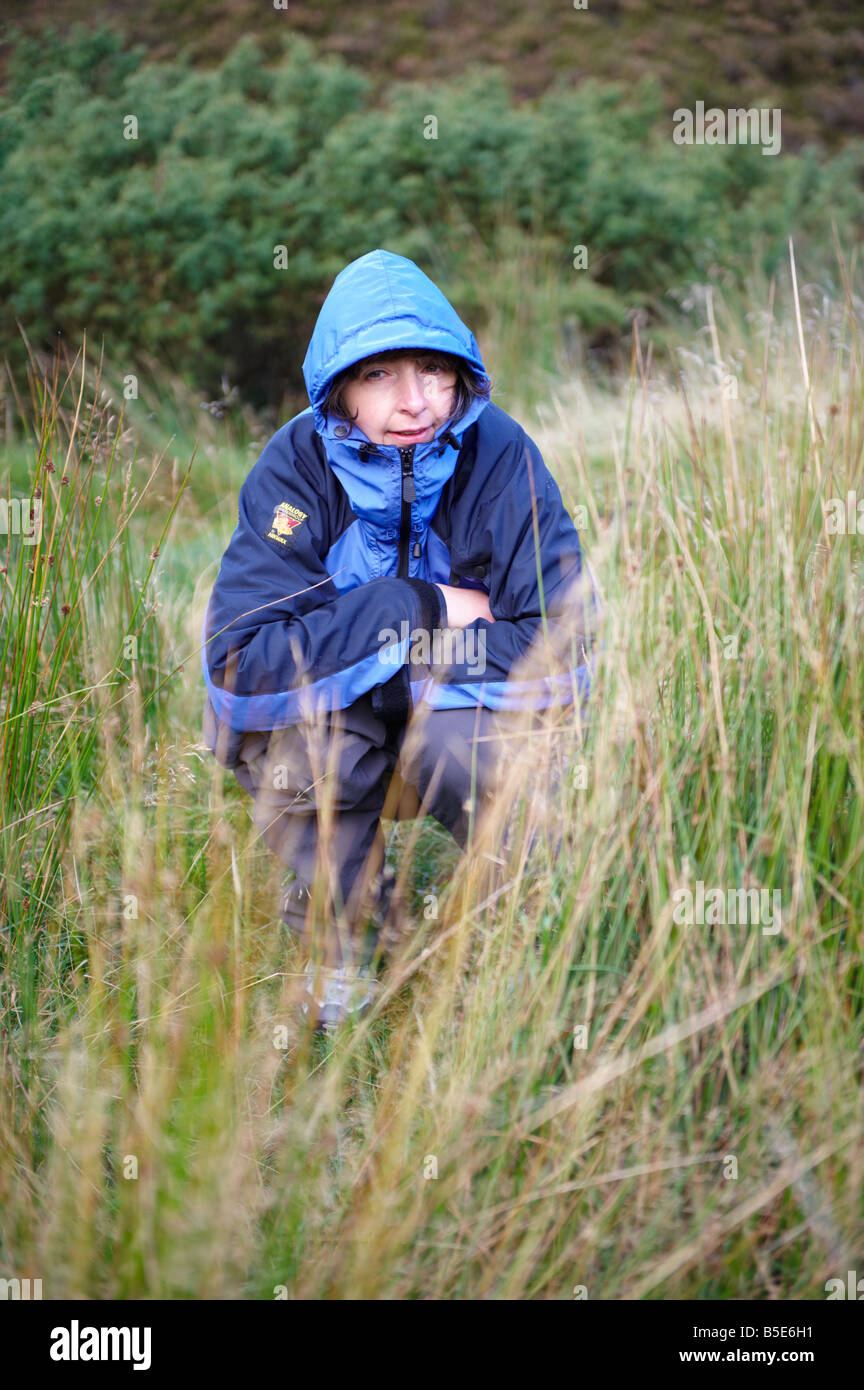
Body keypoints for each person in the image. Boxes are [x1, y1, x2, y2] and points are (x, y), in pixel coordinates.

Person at [201, 248, 596, 1030]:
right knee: (305, 755)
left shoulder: (502, 453)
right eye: (380, 374)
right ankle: (346, 943)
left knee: (464, 747)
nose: (415, 400)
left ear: (462, 375)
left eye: (433, 370)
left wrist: (390, 666)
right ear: (339, 386)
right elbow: (241, 665)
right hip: (347, 729)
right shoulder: (296, 468)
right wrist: (414, 605)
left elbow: (563, 646)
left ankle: (536, 937)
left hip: (454, 712)